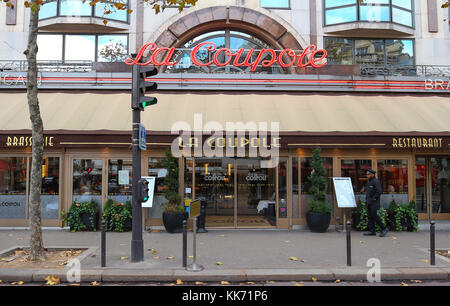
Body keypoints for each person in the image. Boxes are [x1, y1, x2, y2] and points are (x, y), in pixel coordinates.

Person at [364, 169, 388, 237]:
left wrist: (373, 199)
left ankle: (384, 228)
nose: (367, 176)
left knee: (374, 216)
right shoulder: (369, 182)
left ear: (372, 175)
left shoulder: (376, 181)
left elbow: (379, 192)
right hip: (369, 202)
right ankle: (372, 231)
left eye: (368, 174)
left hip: (374, 202)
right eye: (367, 174)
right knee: (370, 217)